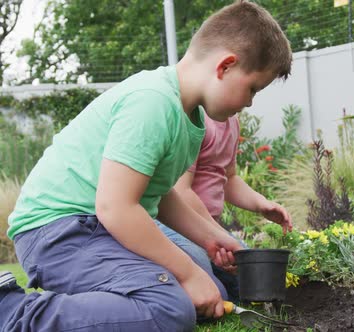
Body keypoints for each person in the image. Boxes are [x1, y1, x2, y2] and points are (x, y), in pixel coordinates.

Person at [0, 1, 292, 331]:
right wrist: (189, 273)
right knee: (169, 307)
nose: (250, 102)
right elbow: (116, 207)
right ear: (225, 66)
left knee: (203, 291)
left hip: (92, 228)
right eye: (252, 88)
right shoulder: (153, 102)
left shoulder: (189, 115)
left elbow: (158, 194)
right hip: (58, 231)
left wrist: (213, 238)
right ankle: (10, 310)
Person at [156, 111, 293, 303]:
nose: (250, 103)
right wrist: (218, 235)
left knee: (251, 276)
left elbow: (229, 178)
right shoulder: (195, 121)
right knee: (212, 285)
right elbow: (181, 191)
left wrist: (261, 204)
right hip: (177, 227)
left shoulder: (231, 122)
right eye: (250, 89)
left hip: (210, 229)